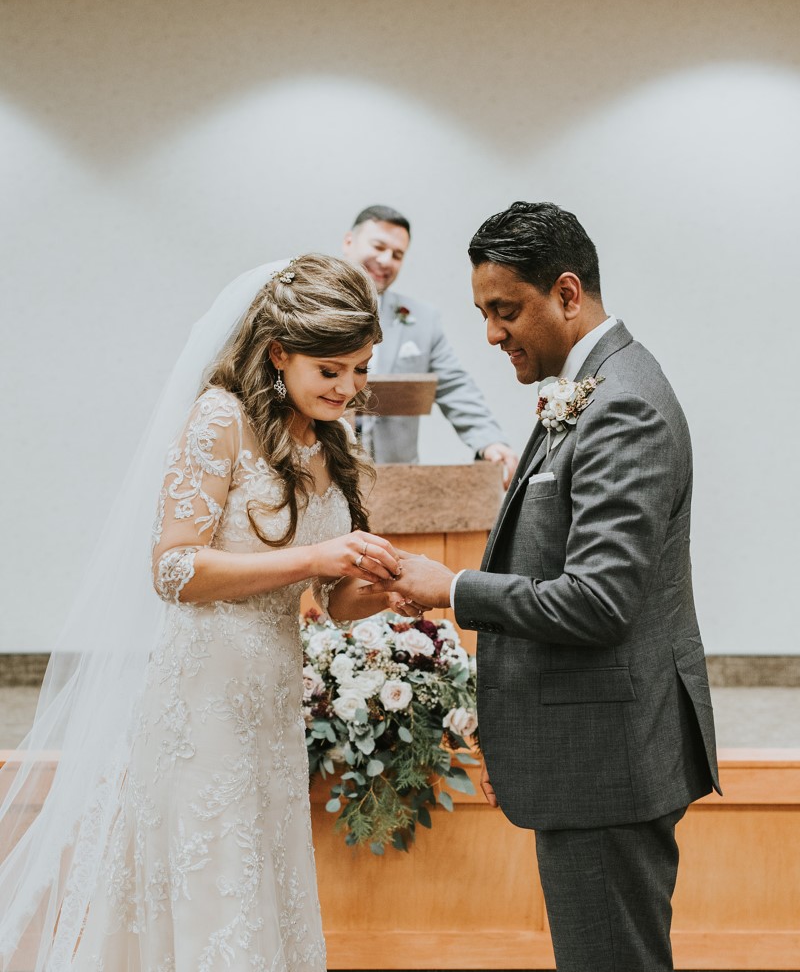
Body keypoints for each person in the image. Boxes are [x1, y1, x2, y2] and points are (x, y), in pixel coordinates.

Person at [0, 254, 428, 971]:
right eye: (332, 371)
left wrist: (378, 590)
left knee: (266, 884)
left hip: (269, 703)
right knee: (213, 886)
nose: (350, 388)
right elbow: (172, 567)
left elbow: (331, 598)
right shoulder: (219, 418)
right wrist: (311, 563)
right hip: (200, 703)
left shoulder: (331, 441)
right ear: (279, 351)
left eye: (359, 368)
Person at [363, 202, 720, 971]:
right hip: (589, 745)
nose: (491, 334)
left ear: (566, 293)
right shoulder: (586, 383)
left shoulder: (621, 402)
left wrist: (451, 586)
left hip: (609, 759)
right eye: (483, 312)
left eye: (505, 310)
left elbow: (598, 600)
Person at [341, 205, 518, 484]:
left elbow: (454, 386)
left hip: (397, 482)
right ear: (349, 241)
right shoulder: (310, 308)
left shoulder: (422, 320)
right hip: (324, 473)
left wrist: (489, 442)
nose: (386, 260)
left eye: (397, 255)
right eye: (378, 246)